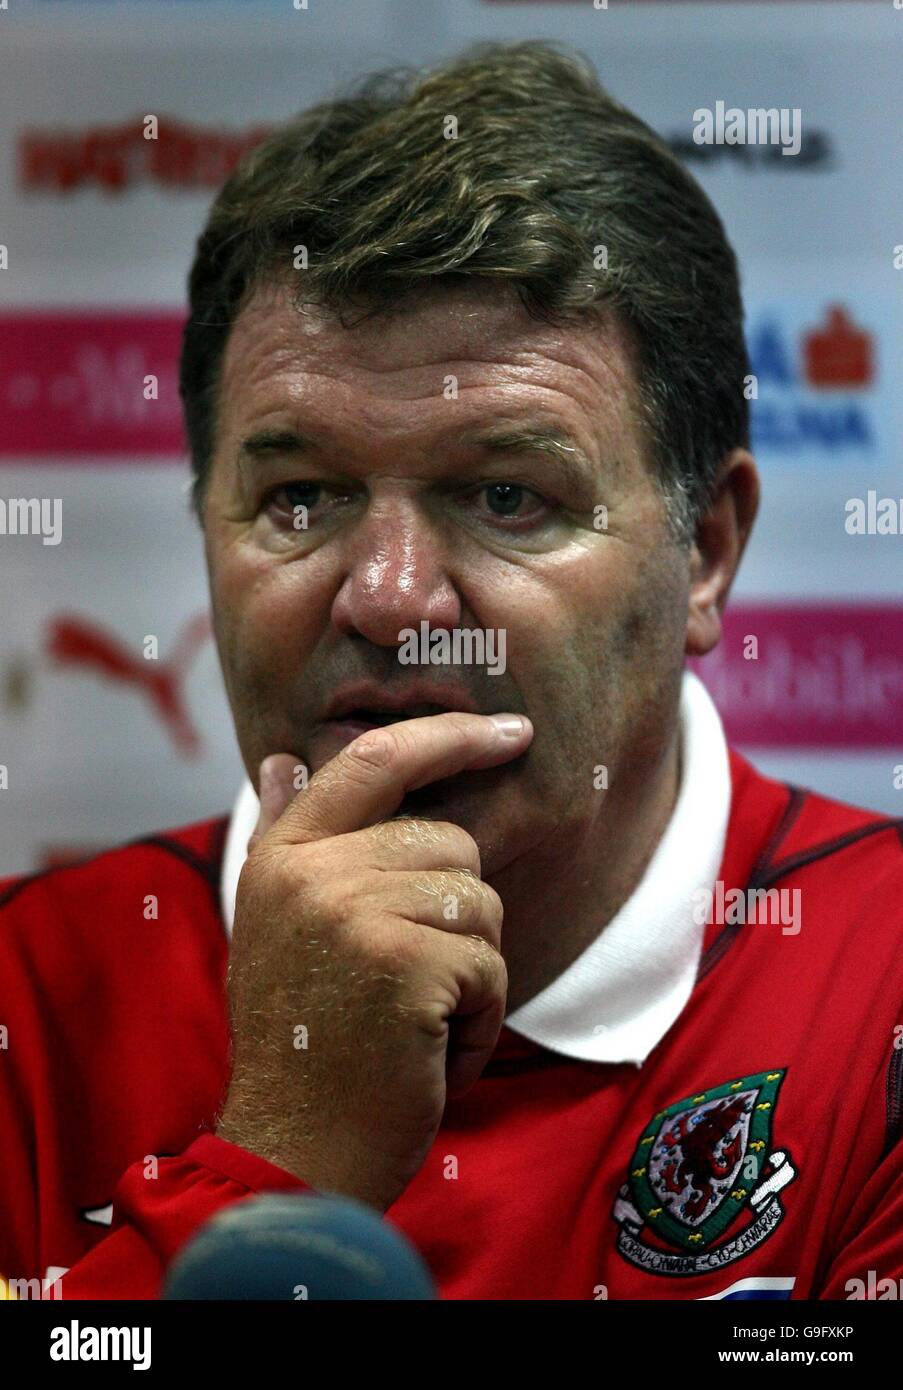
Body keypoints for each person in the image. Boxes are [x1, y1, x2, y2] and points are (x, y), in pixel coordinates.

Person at [1, 40, 900, 1302]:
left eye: (505, 495)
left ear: (704, 553)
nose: (391, 598)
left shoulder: (882, 981)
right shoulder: (27, 998)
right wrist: (280, 1161)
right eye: (301, 495)